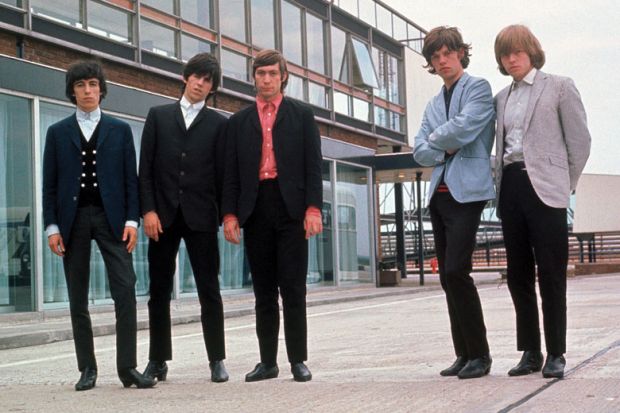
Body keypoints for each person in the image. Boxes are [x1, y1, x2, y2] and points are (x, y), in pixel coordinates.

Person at [42, 61, 155, 390]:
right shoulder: (57, 132)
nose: (87, 91)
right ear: (72, 91)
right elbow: (49, 184)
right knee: (77, 297)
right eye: (80, 85)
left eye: (92, 84)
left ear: (101, 89)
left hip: (113, 220)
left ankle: (127, 368)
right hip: (72, 221)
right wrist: (52, 227)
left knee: (126, 290)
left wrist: (132, 220)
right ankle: (87, 369)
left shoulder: (119, 130)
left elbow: (130, 182)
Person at [494, 25, 591, 379]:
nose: (511, 58)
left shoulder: (560, 87)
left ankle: (556, 352)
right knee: (518, 274)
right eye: (505, 54)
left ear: (532, 51)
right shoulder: (500, 98)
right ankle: (530, 352)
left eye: (517, 51)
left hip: (547, 189)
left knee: (551, 273)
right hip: (510, 188)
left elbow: (580, 142)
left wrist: (566, 184)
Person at [222, 49, 323, 382]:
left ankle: (298, 360)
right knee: (264, 291)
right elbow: (231, 173)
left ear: (283, 77)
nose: (266, 79)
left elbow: (313, 166)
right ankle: (268, 362)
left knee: (293, 288)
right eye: (260, 73)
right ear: (254, 77)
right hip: (256, 208)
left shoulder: (302, 115)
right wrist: (230, 215)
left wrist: (312, 209)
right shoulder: (238, 122)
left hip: (291, 208)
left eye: (272, 74)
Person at [139, 53, 229, 383]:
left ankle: (217, 359)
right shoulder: (158, 116)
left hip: (202, 217)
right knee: (158, 292)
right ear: (185, 77)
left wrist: (220, 214)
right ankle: (157, 361)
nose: (200, 83)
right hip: (161, 217)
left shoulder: (220, 124)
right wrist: (147, 210)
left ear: (212, 88)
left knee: (210, 289)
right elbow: (144, 170)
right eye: (196, 76)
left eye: (207, 80)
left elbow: (224, 175)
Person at [412, 26, 495, 379]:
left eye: (448, 52)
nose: (442, 60)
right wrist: (442, 142)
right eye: (435, 55)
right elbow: (419, 151)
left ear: (460, 52)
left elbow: (466, 128)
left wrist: (438, 140)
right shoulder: (433, 103)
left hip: (468, 194)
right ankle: (463, 354)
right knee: (447, 278)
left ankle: (481, 355)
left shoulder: (478, 87)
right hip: (440, 196)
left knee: (455, 271)